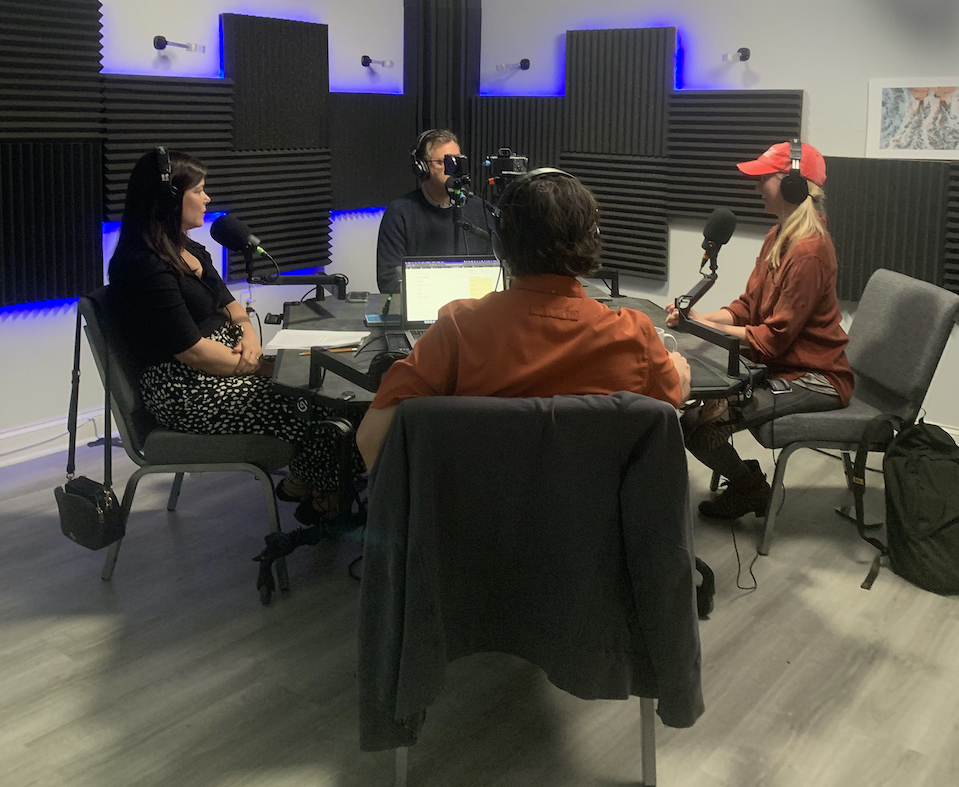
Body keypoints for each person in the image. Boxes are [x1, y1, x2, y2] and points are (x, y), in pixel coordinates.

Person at [357, 168, 692, 468]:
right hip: (591, 519)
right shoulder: (633, 335)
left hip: (479, 516)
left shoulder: (456, 329)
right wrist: (676, 369)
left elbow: (371, 440)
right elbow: (671, 397)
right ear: (592, 241)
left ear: (500, 245)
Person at [107, 148, 362, 527]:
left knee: (333, 393)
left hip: (230, 366)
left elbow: (232, 307)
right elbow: (192, 352)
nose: (207, 199)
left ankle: (308, 483)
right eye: (199, 190)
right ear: (169, 198)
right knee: (319, 405)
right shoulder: (142, 265)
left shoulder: (189, 248)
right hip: (187, 390)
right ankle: (322, 490)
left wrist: (250, 340)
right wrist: (262, 368)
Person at [665, 141, 854, 519]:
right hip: (783, 366)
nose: (756, 187)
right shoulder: (778, 236)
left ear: (793, 186)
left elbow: (772, 339)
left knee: (701, 428)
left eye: (763, 178)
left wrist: (699, 326)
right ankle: (748, 486)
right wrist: (698, 316)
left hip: (815, 377)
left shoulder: (810, 252)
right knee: (690, 420)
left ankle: (749, 489)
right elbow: (747, 308)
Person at [375, 129, 494, 294]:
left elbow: (497, 271)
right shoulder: (399, 213)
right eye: (442, 162)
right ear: (422, 168)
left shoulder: (482, 210)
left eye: (456, 161)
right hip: (423, 305)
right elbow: (389, 279)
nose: (453, 169)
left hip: (474, 307)